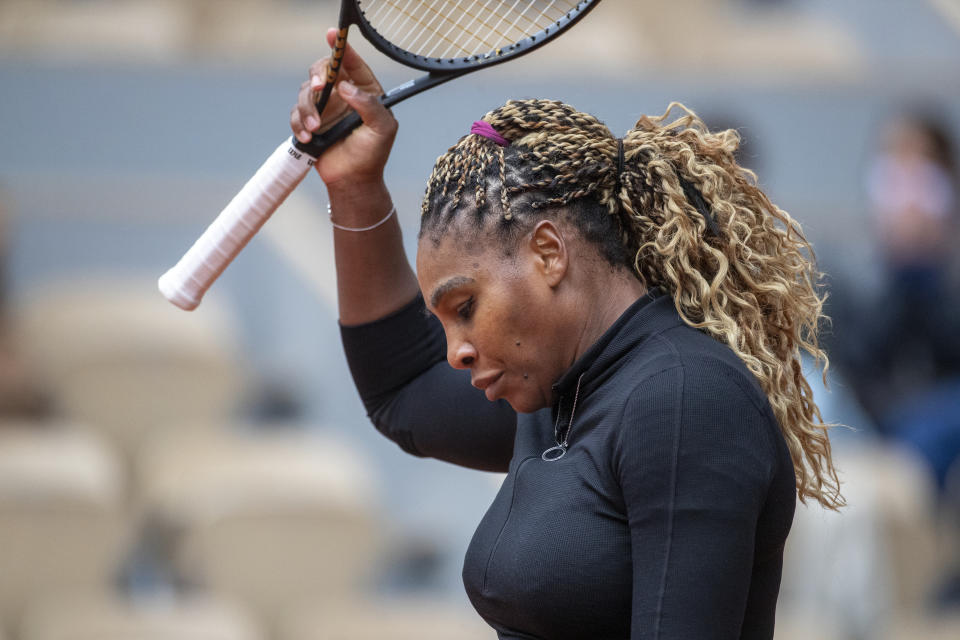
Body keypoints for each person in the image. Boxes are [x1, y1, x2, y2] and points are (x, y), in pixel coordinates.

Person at [291, 29, 843, 640]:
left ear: (549, 253)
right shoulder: (563, 390)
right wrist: (355, 185)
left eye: (466, 307)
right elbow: (405, 390)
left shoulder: (683, 402)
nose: (456, 352)